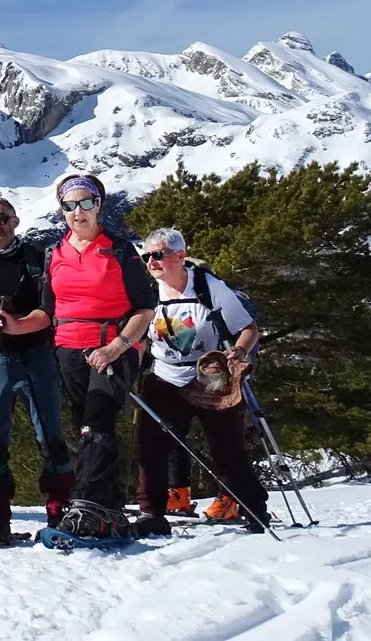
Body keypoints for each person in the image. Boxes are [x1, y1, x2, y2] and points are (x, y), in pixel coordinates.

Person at [10, 173, 156, 537]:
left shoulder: (120, 249)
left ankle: (85, 505)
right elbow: (46, 312)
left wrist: (116, 346)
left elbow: (144, 308)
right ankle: (106, 509)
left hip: (113, 346)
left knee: (97, 423)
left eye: (86, 203)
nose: (79, 211)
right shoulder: (54, 254)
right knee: (88, 429)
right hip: (69, 351)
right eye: (70, 205)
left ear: (99, 205)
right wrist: (14, 326)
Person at [133, 228, 269, 535]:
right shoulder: (147, 291)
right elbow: (140, 336)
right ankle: (151, 513)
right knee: (151, 446)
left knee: (226, 449)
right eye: (146, 257)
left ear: (180, 257)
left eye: (158, 255)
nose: (151, 263)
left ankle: (253, 508)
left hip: (211, 376)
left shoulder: (209, 288)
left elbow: (248, 328)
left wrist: (238, 351)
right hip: (165, 375)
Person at [0, 193, 74, 534]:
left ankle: (59, 505)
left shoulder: (35, 259)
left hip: (34, 354)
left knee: (49, 432)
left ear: (15, 222)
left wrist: (17, 324)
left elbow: (48, 312)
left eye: (2, 218)